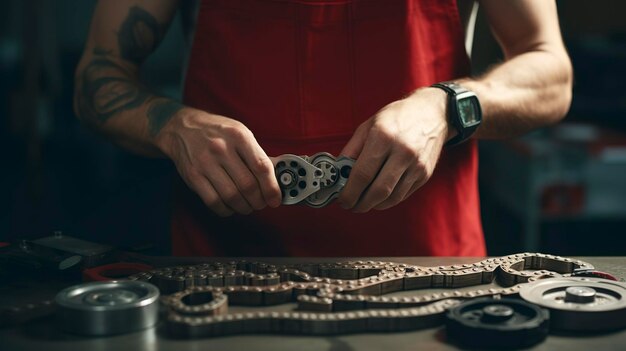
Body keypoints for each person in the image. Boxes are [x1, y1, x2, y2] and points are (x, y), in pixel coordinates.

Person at [74, 0, 572, 257]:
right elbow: (97, 76)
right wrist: (173, 126)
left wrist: (444, 107)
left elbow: (550, 71)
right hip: (223, 271)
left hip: (427, 267)